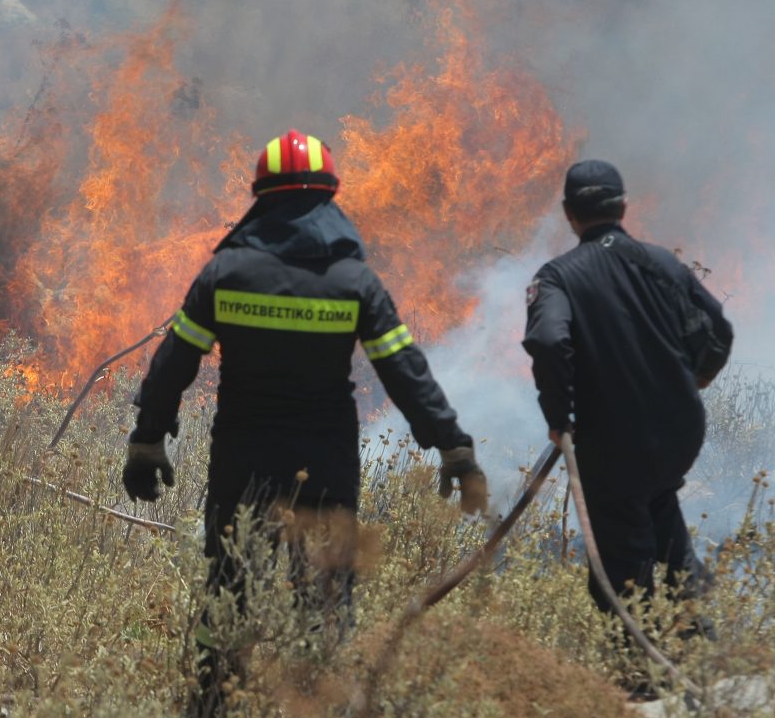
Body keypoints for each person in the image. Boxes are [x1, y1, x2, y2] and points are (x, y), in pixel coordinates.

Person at [121, 129, 485, 717]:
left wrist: (147, 439)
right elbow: (405, 373)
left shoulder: (228, 273)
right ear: (330, 199)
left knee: (231, 587)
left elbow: (173, 364)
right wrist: (454, 447)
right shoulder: (354, 282)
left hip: (242, 458)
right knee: (326, 592)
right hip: (325, 462)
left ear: (261, 199)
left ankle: (214, 703)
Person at [522, 160, 733, 630]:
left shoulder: (557, 277)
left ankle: (640, 675)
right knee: (660, 510)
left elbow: (549, 341)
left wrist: (558, 417)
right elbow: (718, 328)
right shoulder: (660, 262)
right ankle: (700, 642)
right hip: (679, 431)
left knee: (623, 560)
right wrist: (699, 378)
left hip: (613, 440)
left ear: (568, 213)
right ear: (623, 207)